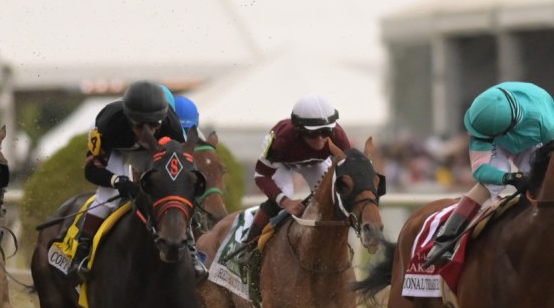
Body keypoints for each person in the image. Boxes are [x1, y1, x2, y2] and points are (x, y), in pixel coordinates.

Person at [71, 80, 208, 282]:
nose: (147, 132)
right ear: (128, 118)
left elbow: (183, 173)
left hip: (153, 150)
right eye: (139, 125)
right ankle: (81, 254)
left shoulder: (171, 126)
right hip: (118, 146)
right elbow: (92, 170)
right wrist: (119, 181)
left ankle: (192, 253)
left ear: (162, 120)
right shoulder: (108, 124)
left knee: (173, 194)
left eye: (153, 125)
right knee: (108, 195)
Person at [423, 82, 554, 267]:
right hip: (503, 135)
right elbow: (481, 171)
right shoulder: (481, 116)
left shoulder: (546, 123)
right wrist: (509, 177)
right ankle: (444, 240)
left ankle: (547, 236)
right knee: (490, 184)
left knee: (539, 183)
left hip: (532, 138)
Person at [240, 93, 352, 251]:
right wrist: (285, 201)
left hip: (316, 163)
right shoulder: (282, 139)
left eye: (326, 132)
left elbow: (350, 171)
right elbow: (261, 175)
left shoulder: (338, 136)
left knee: (331, 196)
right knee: (284, 195)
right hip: (283, 165)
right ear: (299, 129)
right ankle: (249, 244)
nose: (321, 139)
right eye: (313, 133)